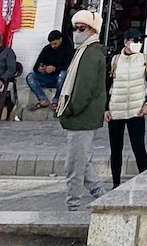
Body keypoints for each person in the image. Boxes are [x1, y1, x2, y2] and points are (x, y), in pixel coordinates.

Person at [57, 11, 107, 211]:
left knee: (74, 165)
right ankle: (101, 195)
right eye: (75, 28)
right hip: (82, 117)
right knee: (82, 161)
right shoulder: (84, 51)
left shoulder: (89, 53)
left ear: (93, 30)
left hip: (81, 117)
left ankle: (73, 206)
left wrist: (68, 110)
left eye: (82, 28)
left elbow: (83, 89)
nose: (77, 32)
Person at [105, 29, 147, 189]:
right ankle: (116, 183)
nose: (138, 44)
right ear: (126, 42)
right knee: (116, 148)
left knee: (139, 146)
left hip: (136, 110)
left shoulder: (145, 60)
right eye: (135, 40)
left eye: (140, 41)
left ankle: (145, 180)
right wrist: (106, 108)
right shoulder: (114, 60)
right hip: (116, 109)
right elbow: (107, 85)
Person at [26, 30, 73, 112]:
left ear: (60, 39)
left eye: (55, 43)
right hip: (47, 78)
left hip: (61, 79)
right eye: (51, 44)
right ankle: (43, 99)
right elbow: (36, 66)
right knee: (30, 76)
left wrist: (55, 68)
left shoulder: (67, 49)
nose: (53, 46)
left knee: (63, 74)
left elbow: (69, 66)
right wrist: (40, 69)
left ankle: (56, 100)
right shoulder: (47, 49)